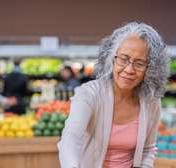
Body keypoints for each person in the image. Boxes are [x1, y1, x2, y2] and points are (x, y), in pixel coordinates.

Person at [57, 22, 170, 168]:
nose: (129, 69)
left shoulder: (151, 101)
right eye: (124, 59)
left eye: (139, 63)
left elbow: (147, 149)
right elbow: (70, 139)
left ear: (151, 69)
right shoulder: (89, 94)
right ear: (111, 58)